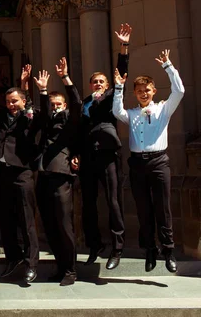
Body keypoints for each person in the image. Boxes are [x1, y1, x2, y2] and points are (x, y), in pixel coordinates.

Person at [113, 49, 184, 273]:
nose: (143, 93)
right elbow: (116, 111)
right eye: (139, 91)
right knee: (143, 210)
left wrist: (168, 67)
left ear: (154, 91)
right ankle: (150, 250)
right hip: (137, 164)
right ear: (134, 93)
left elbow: (179, 91)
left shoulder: (163, 109)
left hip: (159, 162)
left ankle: (168, 250)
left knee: (163, 208)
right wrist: (118, 87)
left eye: (147, 90)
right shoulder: (132, 113)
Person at [0, 61, 48, 284]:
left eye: (14, 101)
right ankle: (13, 258)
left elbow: (42, 113)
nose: (11, 105)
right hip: (1, 173)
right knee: (6, 219)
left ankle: (31, 264)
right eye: (8, 102)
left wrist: (32, 88)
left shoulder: (30, 117)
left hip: (22, 173)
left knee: (26, 220)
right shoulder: (1, 116)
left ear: (23, 101)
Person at [79, 23, 131, 270]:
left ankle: (117, 247)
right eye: (94, 82)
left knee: (113, 200)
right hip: (88, 156)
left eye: (101, 81)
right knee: (88, 203)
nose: (98, 84)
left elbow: (121, 73)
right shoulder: (85, 102)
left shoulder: (112, 97)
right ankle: (94, 245)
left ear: (107, 85)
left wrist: (124, 47)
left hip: (108, 155)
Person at [33, 58, 82, 286]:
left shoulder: (68, 123)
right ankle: (60, 267)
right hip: (42, 177)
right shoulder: (44, 122)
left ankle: (71, 270)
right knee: (50, 226)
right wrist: (42, 91)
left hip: (61, 177)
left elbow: (77, 104)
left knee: (64, 225)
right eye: (51, 105)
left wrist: (65, 78)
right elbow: (42, 113)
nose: (54, 108)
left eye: (57, 105)